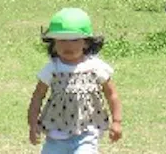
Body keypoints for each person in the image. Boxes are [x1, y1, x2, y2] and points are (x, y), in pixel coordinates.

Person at [27, 8, 123, 153]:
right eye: (62, 40)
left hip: (87, 131)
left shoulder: (95, 67)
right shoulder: (53, 68)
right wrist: (33, 124)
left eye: (74, 40)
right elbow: (37, 96)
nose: (68, 45)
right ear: (53, 43)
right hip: (57, 132)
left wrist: (117, 121)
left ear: (86, 43)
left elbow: (112, 94)